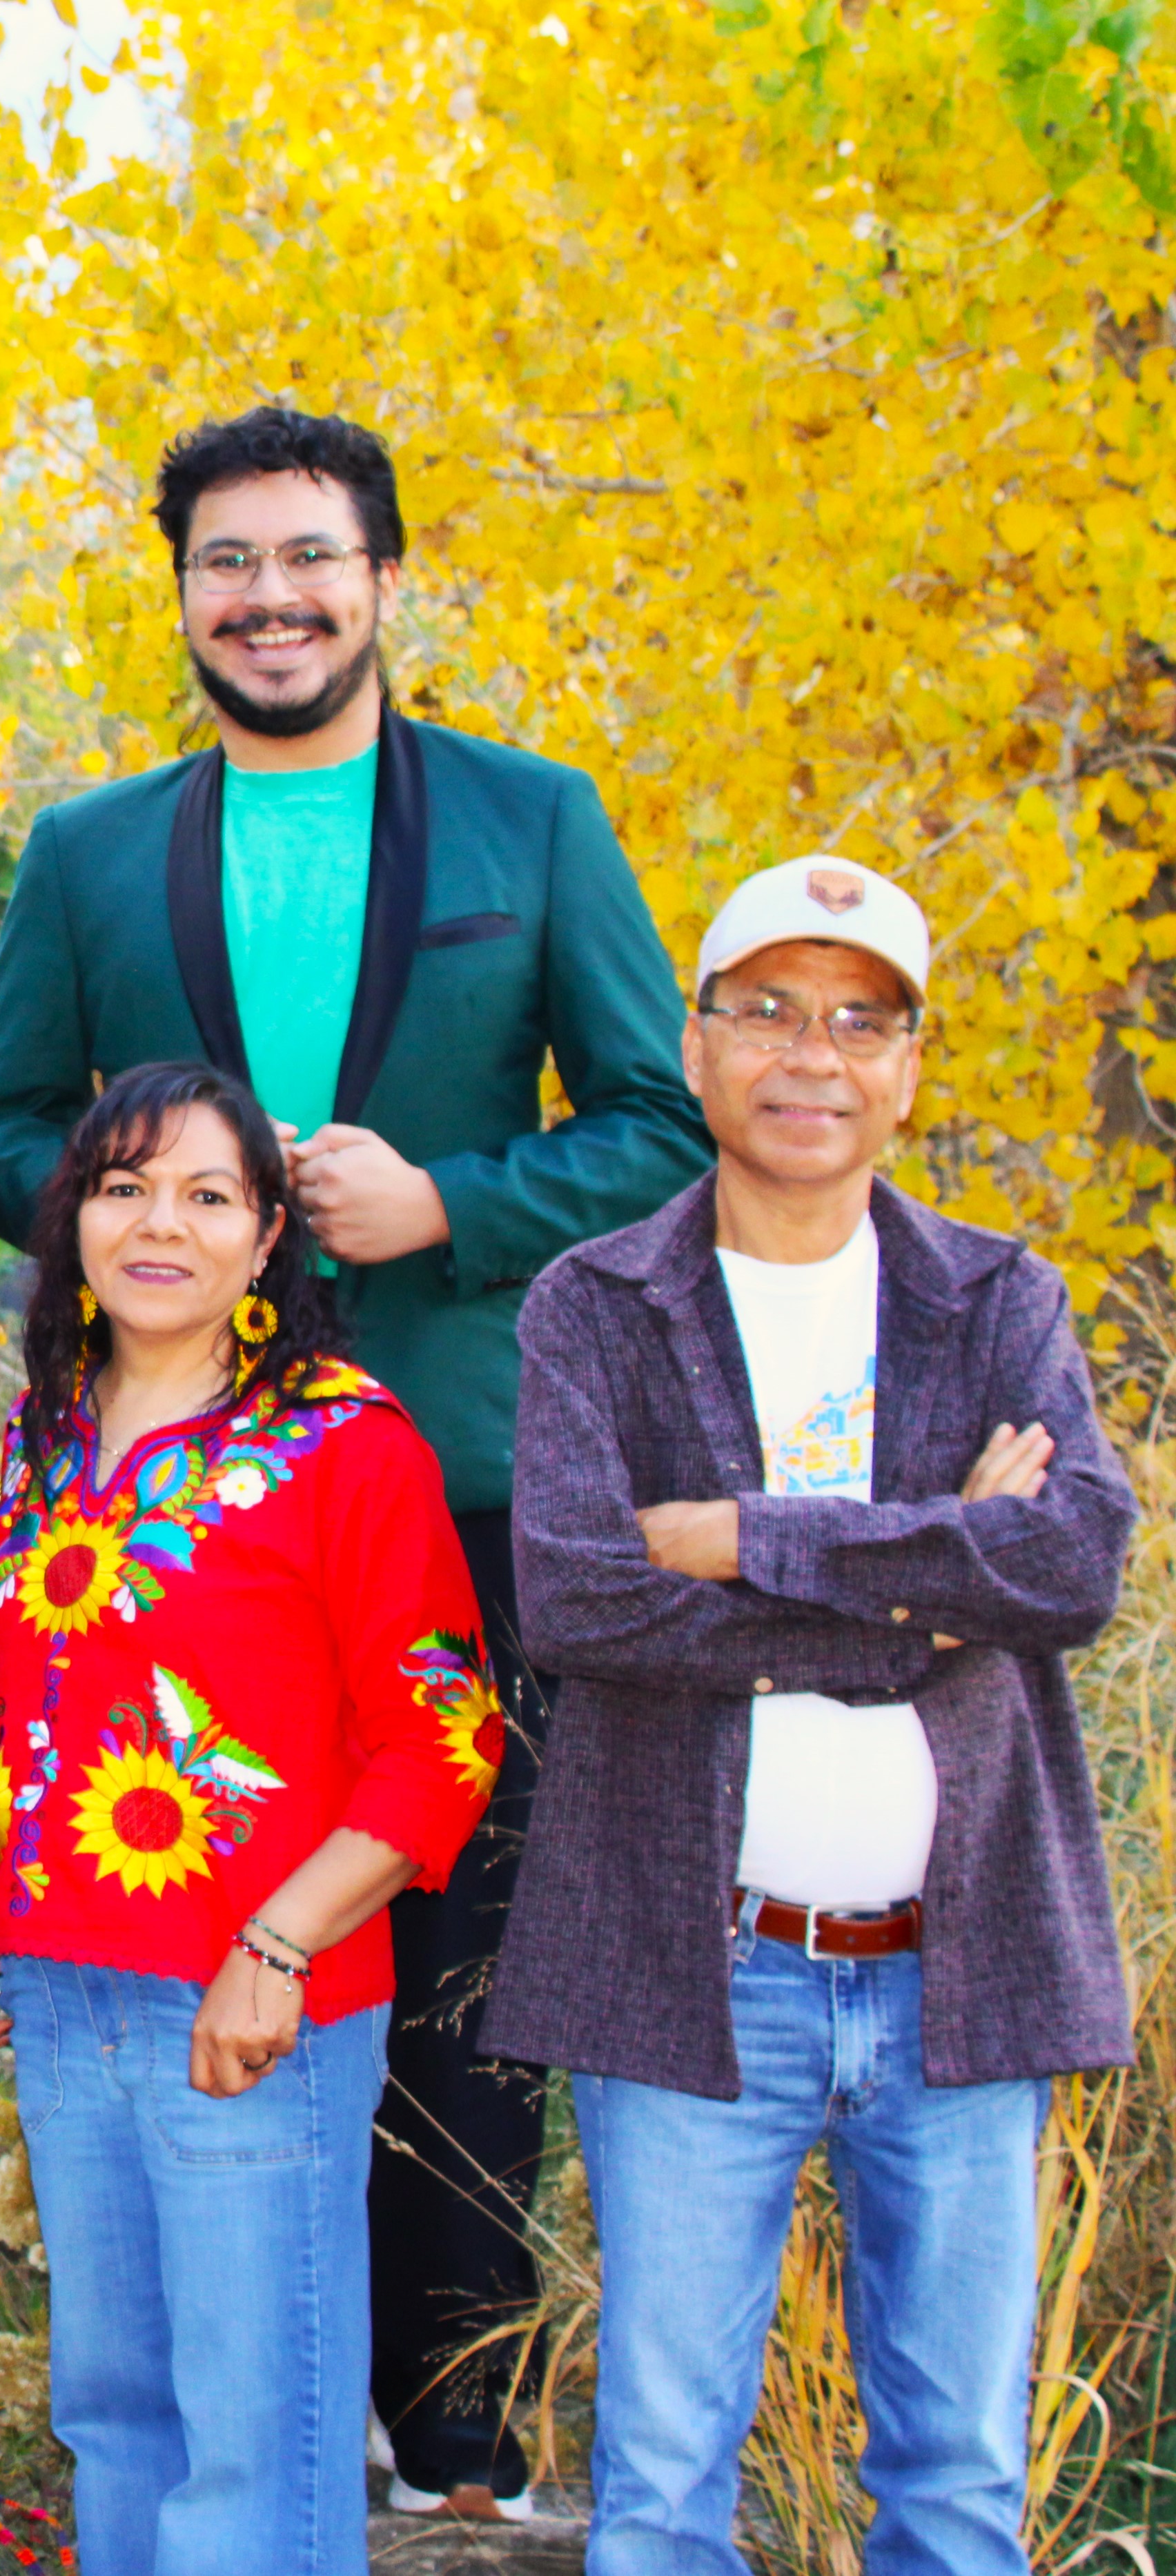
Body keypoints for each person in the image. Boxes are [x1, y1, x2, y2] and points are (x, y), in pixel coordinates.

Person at [0, 408, 709, 2515]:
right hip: (157, 1494)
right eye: (227, 564)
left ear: (382, 579)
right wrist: (166, 1197)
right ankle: (258, 2397)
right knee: (188, 1915)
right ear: (180, 590)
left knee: (449, 1940)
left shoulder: (532, 826)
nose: (268, 597)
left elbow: (655, 1119)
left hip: (445, 1462)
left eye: (309, 559)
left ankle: (443, 2409)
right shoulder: (98, 852)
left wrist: (447, 1198)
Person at [486, 857, 1135, 2575]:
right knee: (662, 2484)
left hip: (964, 1964)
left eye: (860, 1018)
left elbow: (1068, 1567)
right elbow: (579, 1599)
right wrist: (933, 1577)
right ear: (695, 1049)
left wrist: (747, 1541)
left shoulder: (997, 1300)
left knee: (956, 2482)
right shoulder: (596, 1303)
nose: (811, 1055)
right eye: (765, 1009)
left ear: (911, 1065)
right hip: (695, 1968)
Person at [0, 1060, 502, 2576]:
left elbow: (445, 1737)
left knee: (258, 2436)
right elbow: (26, 1699)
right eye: (122, 1187)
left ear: (268, 1239)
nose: (157, 1223)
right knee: (117, 2413)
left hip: (256, 2007)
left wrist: (279, 1941)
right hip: (64, 1987)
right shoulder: (48, 1437)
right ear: (73, 1226)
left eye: (206, 1194)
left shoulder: (345, 1443)